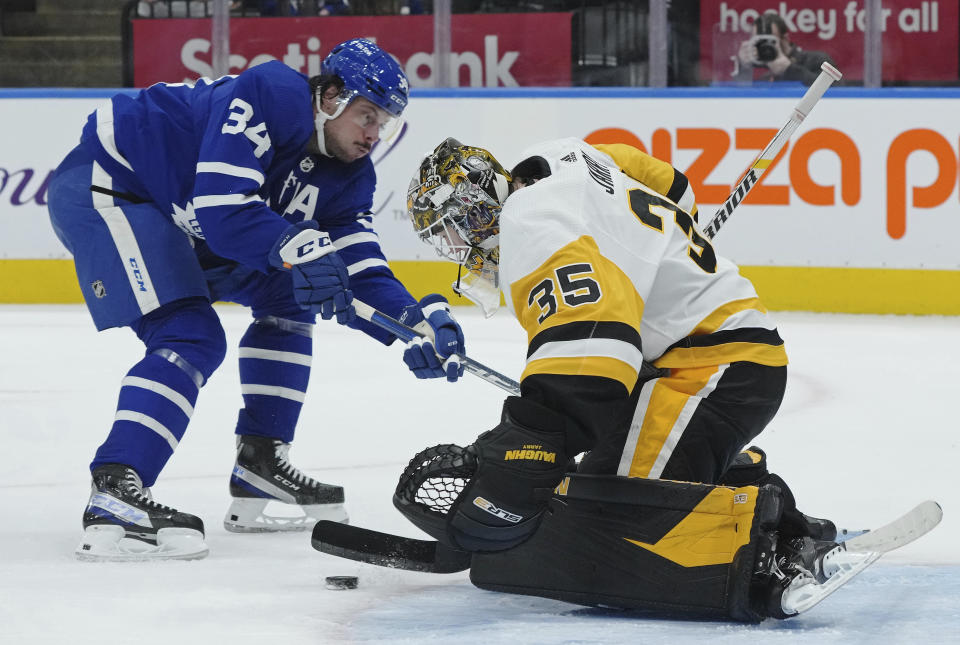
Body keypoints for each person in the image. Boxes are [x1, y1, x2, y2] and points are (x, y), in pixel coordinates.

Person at [391, 137, 842, 621]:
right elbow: (677, 190)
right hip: (707, 358)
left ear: (473, 204)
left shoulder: (526, 216)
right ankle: (776, 510)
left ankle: (766, 558)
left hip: (711, 369)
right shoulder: (572, 156)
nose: (456, 247)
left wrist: (533, 437)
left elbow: (592, 342)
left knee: (606, 525)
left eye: (451, 230)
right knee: (597, 486)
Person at [48, 39, 465, 562]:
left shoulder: (351, 177)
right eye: (366, 116)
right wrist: (301, 247)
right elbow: (224, 209)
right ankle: (116, 487)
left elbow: (360, 267)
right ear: (330, 96)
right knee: (190, 335)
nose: (372, 135)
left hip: (185, 221)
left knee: (291, 297)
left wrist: (413, 322)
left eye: (382, 124)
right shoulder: (272, 94)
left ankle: (260, 463)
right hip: (115, 184)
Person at [735, 11, 835, 85]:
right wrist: (744, 68)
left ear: (785, 39)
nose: (764, 47)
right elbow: (740, 102)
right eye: (759, 42)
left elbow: (838, 90)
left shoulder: (817, 60)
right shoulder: (765, 77)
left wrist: (789, 69)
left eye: (770, 41)